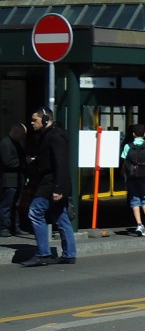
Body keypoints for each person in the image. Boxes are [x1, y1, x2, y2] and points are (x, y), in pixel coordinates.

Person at [22, 107, 77, 266]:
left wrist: (58, 188)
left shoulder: (56, 136)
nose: (32, 123)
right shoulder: (47, 135)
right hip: (50, 182)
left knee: (35, 211)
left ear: (45, 119)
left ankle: (43, 253)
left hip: (52, 183)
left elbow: (61, 163)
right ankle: (69, 254)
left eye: (35, 120)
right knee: (61, 217)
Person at [121, 124, 145, 236]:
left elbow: (124, 161)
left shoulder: (128, 146)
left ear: (133, 134)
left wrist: (123, 173)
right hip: (144, 176)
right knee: (144, 199)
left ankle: (139, 224)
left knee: (134, 200)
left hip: (131, 176)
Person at [0, 123, 28, 238]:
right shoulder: (6, 143)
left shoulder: (15, 143)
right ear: (15, 131)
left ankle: (14, 227)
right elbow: (7, 162)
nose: (22, 137)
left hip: (17, 179)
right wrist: (23, 161)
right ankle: (4, 228)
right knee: (7, 205)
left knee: (15, 205)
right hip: (9, 180)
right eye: (22, 134)